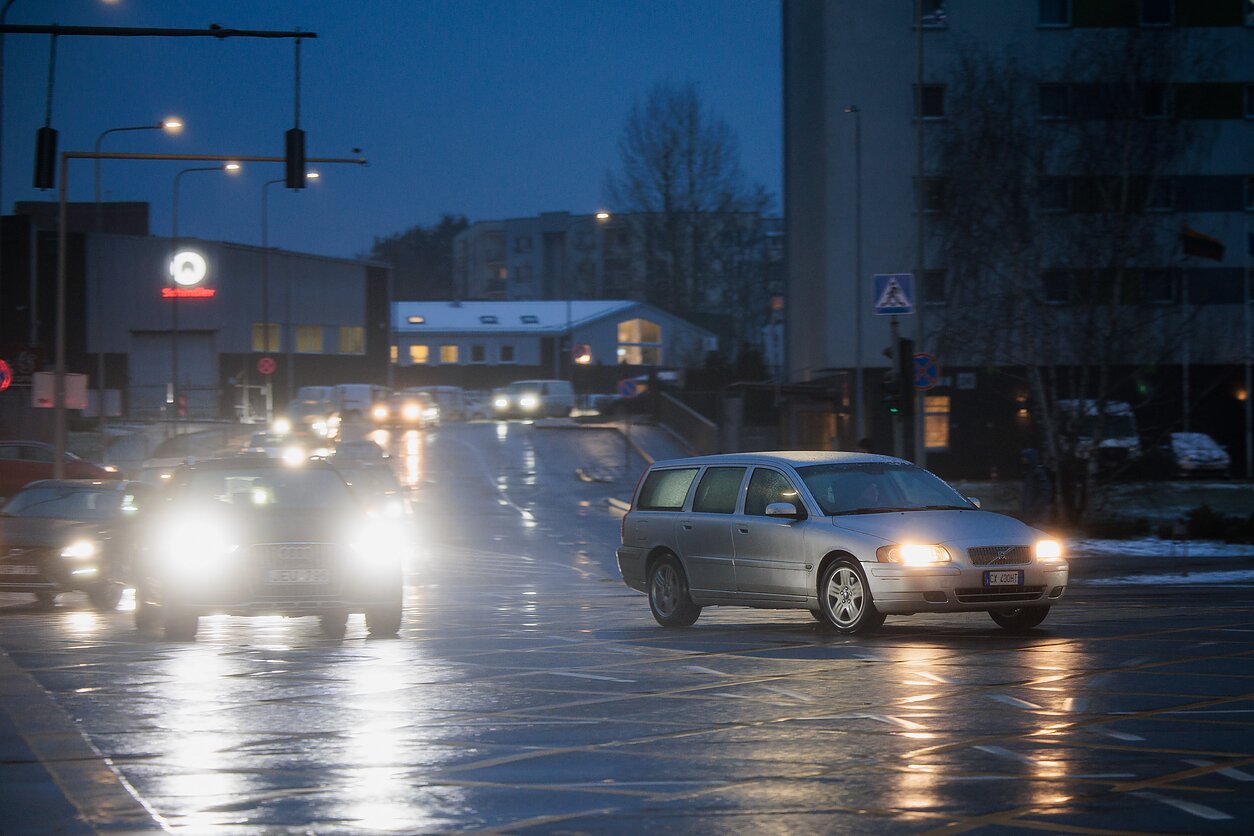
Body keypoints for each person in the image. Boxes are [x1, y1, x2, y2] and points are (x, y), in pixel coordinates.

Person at [1020, 448, 1054, 525]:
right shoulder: (1028, 473)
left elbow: (1046, 491)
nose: (1023, 459)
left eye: (1025, 457)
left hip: (1038, 513)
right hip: (1029, 512)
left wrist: (1036, 506)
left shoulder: (1038, 472)